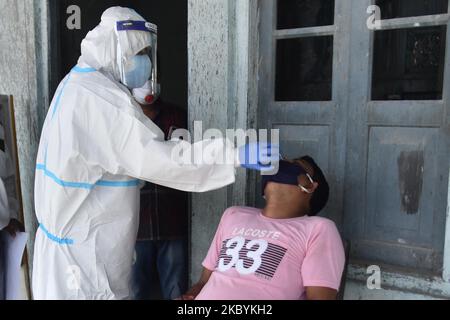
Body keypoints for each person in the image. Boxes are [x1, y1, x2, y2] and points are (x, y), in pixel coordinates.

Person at [32, 6, 277, 300]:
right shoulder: (100, 100)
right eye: (140, 53)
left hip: (73, 253)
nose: (145, 62)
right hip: (84, 266)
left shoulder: (78, 84)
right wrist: (233, 155)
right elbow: (164, 160)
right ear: (118, 50)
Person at [182, 156, 345, 300]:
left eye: (297, 164)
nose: (284, 163)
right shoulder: (233, 214)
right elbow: (204, 281)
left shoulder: (318, 228)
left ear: (310, 187)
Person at [131, 83, 189, 300]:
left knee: (176, 291)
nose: (147, 83)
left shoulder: (177, 117)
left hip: (172, 220)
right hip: (135, 226)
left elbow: (191, 162)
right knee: (135, 291)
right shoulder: (122, 116)